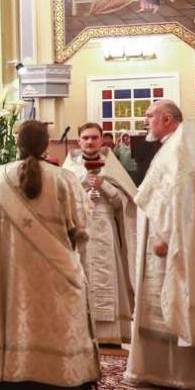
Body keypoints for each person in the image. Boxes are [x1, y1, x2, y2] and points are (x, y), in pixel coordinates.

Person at [0, 120, 99, 390]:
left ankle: (13, 386)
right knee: (58, 326)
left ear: (16, 143)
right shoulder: (64, 179)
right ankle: (61, 389)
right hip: (57, 273)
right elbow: (82, 227)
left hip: (10, 275)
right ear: (47, 144)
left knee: (17, 324)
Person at [125, 101, 195, 390]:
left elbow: (176, 201)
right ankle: (161, 369)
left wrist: (165, 237)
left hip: (165, 242)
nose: (145, 121)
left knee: (170, 301)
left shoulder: (178, 150)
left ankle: (178, 373)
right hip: (163, 237)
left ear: (167, 119)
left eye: (150, 116)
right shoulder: (175, 146)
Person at [62, 122, 138, 345]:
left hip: (105, 227)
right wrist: (83, 184)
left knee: (109, 274)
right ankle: (82, 331)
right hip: (80, 230)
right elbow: (62, 200)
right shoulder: (71, 169)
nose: (90, 141)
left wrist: (105, 186)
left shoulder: (112, 167)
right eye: (85, 138)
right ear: (79, 141)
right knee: (81, 275)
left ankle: (109, 334)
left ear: (102, 139)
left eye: (94, 137)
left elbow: (124, 204)